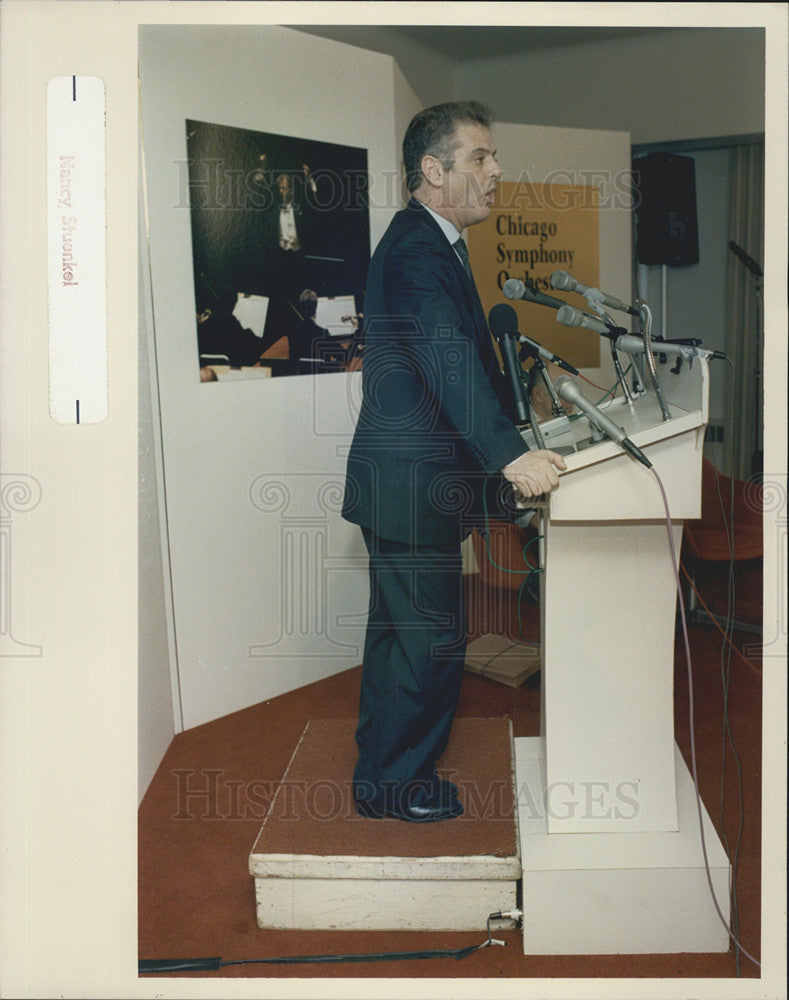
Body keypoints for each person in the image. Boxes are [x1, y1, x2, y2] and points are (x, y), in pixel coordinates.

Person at [341, 101, 566, 823]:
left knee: (400, 640)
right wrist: (509, 456)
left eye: (493, 157)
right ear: (432, 171)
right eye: (478, 158)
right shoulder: (416, 249)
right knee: (429, 645)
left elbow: (458, 362)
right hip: (411, 487)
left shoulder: (432, 243)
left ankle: (380, 776)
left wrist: (519, 426)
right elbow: (447, 364)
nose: (495, 171)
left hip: (409, 486)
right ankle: (399, 787)